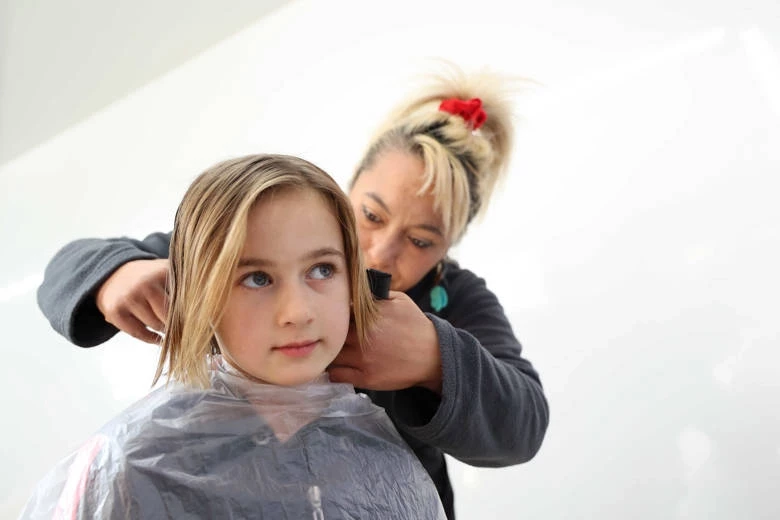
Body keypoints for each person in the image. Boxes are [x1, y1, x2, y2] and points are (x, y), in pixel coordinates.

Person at [38, 66, 549, 519]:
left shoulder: (456, 297)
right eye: (371, 215)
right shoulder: (270, 235)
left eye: (420, 241)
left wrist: (435, 360)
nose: (379, 252)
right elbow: (68, 269)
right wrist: (116, 272)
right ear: (349, 189)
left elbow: (523, 423)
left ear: (447, 248)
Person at [21, 154, 446, 519]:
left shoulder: (392, 459)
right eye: (257, 278)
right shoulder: (133, 467)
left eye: (322, 270)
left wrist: (437, 360)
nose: (297, 312)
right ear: (199, 293)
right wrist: (115, 273)